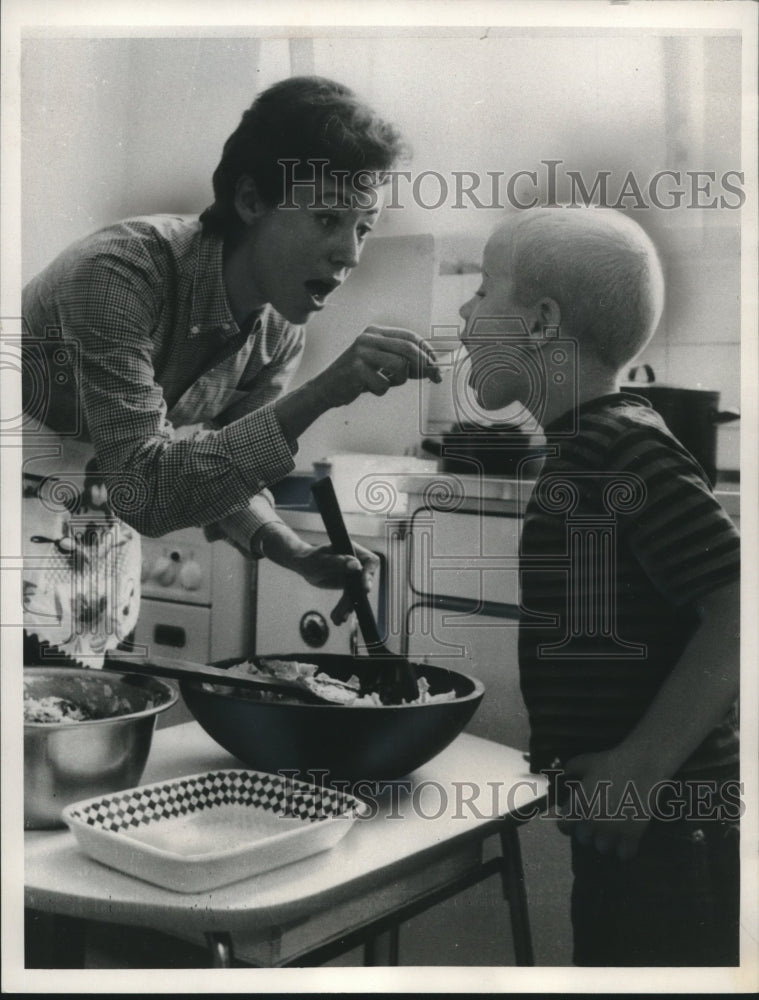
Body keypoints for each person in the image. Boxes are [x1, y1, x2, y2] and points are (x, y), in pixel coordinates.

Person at [21, 76, 441, 667]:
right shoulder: (119, 273)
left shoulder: (278, 332)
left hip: (88, 510)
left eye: (363, 227)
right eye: (327, 219)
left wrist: (290, 549)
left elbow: (220, 469)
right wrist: (324, 393)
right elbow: (147, 491)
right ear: (250, 201)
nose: (350, 254)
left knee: (70, 713)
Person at [457, 206, 740, 966]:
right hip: (633, 829)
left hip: (671, 831)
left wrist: (639, 770)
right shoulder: (587, 447)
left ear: (543, 322)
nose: (462, 311)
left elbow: (740, 605)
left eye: (482, 292)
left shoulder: (619, 449)